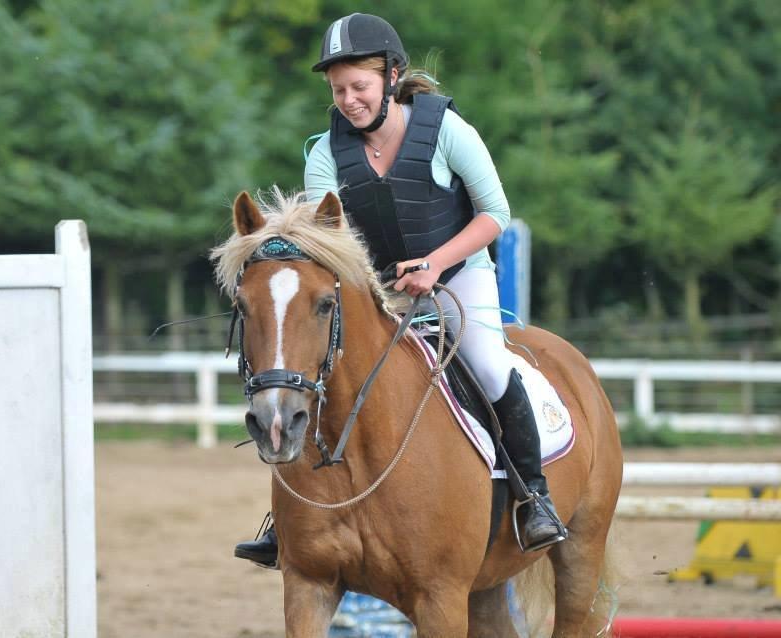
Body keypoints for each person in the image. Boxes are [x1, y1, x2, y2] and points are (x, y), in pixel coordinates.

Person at [234, 13, 566, 568]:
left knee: (488, 366)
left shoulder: (448, 131)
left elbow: (495, 214)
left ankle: (534, 496)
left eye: (359, 86)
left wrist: (435, 264)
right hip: (379, 289)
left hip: (459, 276)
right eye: (338, 90)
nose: (348, 100)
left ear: (391, 76)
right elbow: (326, 240)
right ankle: (289, 519)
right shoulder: (325, 153)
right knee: (320, 374)